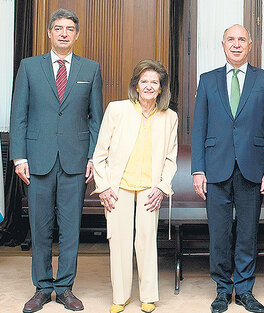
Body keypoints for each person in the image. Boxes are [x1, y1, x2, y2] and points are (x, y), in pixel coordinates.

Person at [10, 8, 103, 313]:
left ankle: (64, 288)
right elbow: (19, 116)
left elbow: (95, 120)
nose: (64, 33)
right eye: (58, 28)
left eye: (70, 29)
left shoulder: (90, 69)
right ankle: (42, 287)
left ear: (77, 35)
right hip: (36, 159)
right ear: (49, 33)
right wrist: (19, 157)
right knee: (39, 226)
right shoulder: (29, 67)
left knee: (70, 226)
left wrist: (92, 157)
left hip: (75, 162)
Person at [191, 24, 264, 313]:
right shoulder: (207, 81)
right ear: (222, 44)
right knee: (219, 233)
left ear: (250, 44)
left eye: (242, 39)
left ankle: (244, 289)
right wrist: (197, 170)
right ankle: (222, 289)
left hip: (252, 168)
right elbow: (198, 129)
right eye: (231, 39)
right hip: (215, 168)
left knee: (247, 233)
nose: (237, 44)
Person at [92, 59, 178, 313]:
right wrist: (104, 187)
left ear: (161, 88)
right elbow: (99, 154)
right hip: (118, 188)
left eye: (154, 82)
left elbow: (171, 159)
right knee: (118, 241)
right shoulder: (117, 110)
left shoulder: (169, 117)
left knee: (146, 240)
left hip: (150, 189)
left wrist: (162, 187)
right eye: (144, 81)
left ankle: (148, 295)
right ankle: (120, 297)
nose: (149, 86)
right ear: (136, 86)